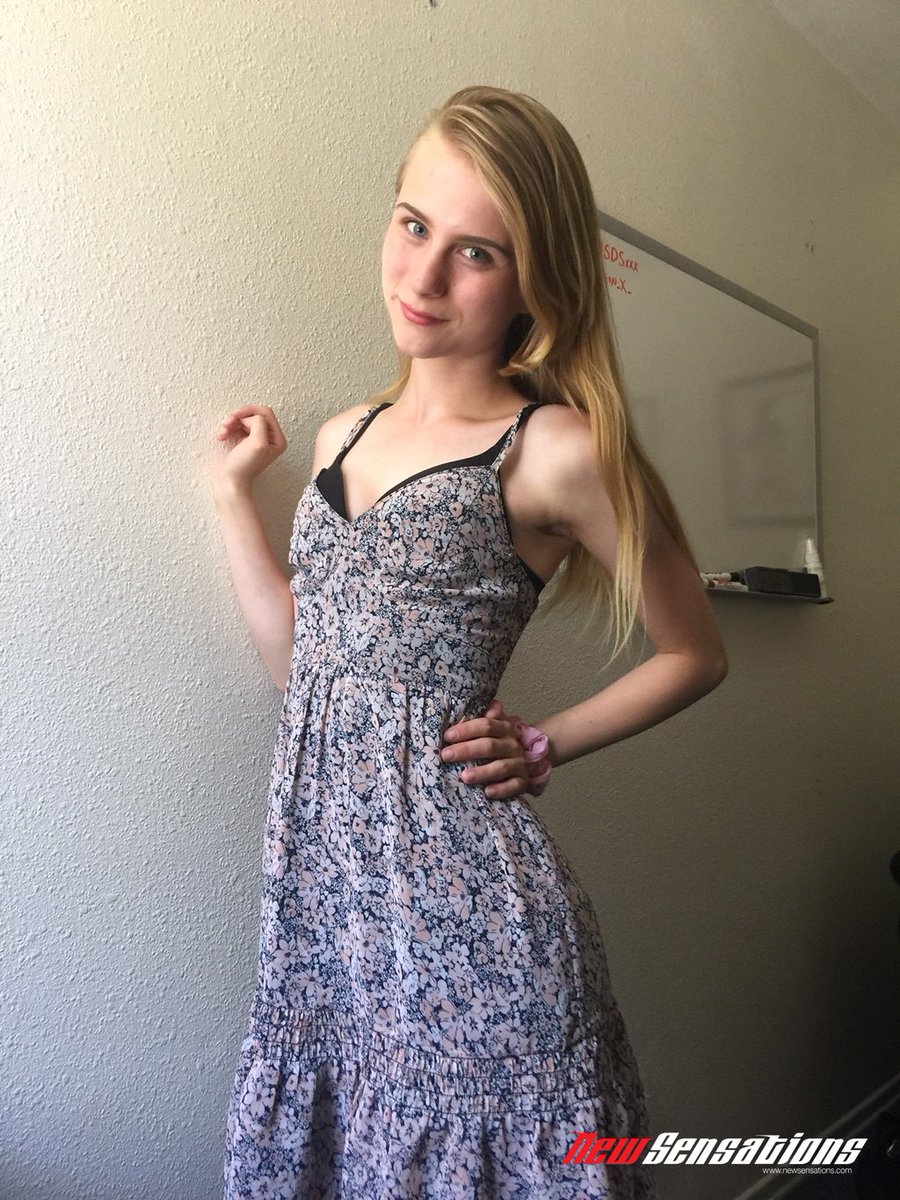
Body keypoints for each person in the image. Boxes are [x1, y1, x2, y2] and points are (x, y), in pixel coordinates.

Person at [211, 85, 727, 1200]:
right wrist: (230, 498)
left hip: (477, 931)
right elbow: (301, 669)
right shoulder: (343, 434)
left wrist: (544, 744)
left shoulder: (555, 450)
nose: (425, 276)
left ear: (535, 283)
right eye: (413, 225)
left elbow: (696, 652)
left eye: (476, 252)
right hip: (328, 912)